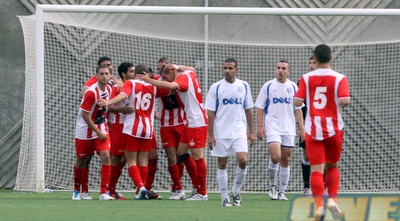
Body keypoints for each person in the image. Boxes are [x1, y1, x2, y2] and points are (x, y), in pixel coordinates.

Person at [97, 64, 170, 200]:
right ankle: (137, 191)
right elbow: (169, 88)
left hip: (131, 128)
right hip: (147, 128)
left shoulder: (130, 83)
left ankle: (140, 187)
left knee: (131, 161)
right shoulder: (153, 86)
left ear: (135, 73)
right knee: (141, 161)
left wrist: (107, 102)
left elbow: (123, 95)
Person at [295, 44, 350, 220]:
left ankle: (319, 206)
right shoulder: (339, 78)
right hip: (334, 128)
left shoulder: (306, 78)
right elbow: (345, 101)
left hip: (313, 129)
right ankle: (332, 200)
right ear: (331, 57)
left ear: (315, 59)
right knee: (332, 166)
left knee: (316, 170)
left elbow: (297, 102)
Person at [139, 63, 209, 201]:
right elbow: (188, 68)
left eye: (166, 77)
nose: (166, 80)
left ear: (172, 71)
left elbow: (171, 87)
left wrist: (149, 80)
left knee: (198, 156)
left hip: (196, 121)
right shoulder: (189, 72)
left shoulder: (182, 80)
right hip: (189, 121)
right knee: (181, 152)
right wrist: (175, 65)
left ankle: (202, 192)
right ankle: (195, 187)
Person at [205, 58, 255, 207]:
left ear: (236, 70)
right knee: (222, 163)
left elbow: (248, 108)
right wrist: (211, 134)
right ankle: (224, 197)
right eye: (225, 68)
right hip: (221, 131)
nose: (227, 71)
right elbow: (210, 112)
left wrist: (251, 131)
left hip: (239, 129)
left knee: (243, 160)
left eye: (230, 68)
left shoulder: (244, 86)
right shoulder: (216, 87)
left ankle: (236, 190)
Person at [255, 60, 305, 201]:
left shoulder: (293, 87)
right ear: (275, 70)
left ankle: (282, 191)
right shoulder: (268, 86)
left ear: (289, 71)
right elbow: (259, 106)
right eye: (278, 68)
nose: (280, 71)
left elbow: (298, 108)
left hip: (288, 127)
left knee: (286, 159)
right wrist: (260, 126)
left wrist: (302, 128)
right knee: (275, 156)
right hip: (273, 126)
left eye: (283, 68)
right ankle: (272, 186)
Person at [73, 64, 114, 200]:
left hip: (101, 128)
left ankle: (104, 192)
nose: (104, 76)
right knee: (82, 160)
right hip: (85, 130)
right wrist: (97, 131)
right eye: (101, 74)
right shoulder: (91, 92)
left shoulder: (109, 89)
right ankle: (78, 191)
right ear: (96, 76)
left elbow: (106, 110)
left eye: (106, 74)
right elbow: (85, 115)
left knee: (106, 156)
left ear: (109, 76)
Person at [155, 57, 186, 200]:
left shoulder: (181, 80)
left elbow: (191, 70)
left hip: (181, 124)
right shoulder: (157, 82)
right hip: (166, 126)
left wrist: (176, 67)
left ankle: (177, 187)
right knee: (171, 157)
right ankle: (178, 188)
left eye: (166, 68)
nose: (162, 72)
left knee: (181, 158)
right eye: (160, 69)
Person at [107, 62, 135, 200]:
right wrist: (122, 110)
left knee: (126, 158)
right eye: (131, 71)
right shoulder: (116, 88)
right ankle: (109, 189)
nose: (133, 74)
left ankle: (111, 188)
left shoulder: (135, 86)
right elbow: (110, 107)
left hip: (132, 127)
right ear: (123, 74)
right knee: (116, 158)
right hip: (119, 126)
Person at [299, 56, 317, 197]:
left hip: (324, 124)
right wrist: (302, 126)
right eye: (309, 63)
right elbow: (299, 105)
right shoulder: (304, 80)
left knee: (324, 157)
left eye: (314, 63)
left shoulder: (330, 79)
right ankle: (306, 187)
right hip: (307, 123)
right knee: (306, 155)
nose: (311, 65)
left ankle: (322, 187)